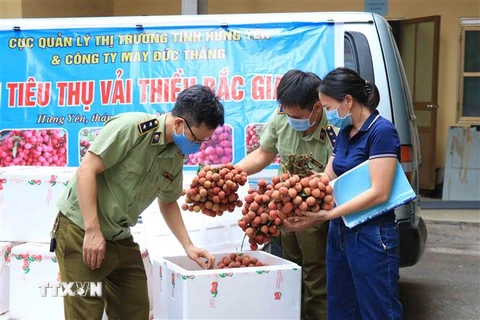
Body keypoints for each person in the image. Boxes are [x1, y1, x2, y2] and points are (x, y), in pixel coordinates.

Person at [51, 85, 224, 320]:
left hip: (119, 235)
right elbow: (86, 171)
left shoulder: (175, 156)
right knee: (84, 313)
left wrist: (188, 246)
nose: (197, 147)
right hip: (80, 231)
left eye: (204, 141)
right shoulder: (132, 128)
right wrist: (92, 231)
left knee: (135, 309)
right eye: (197, 139)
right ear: (179, 124)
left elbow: (168, 201)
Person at [291, 67, 403, 320]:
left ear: (349, 101)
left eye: (329, 107)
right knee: (341, 308)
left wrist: (327, 214)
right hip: (341, 231)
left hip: (372, 234)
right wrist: (292, 189)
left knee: (378, 310)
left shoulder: (381, 131)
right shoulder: (345, 132)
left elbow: (379, 193)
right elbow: (327, 176)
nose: (327, 114)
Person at [237, 69, 333, 320]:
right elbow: (263, 154)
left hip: (316, 213)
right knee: (289, 269)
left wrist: (316, 212)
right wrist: (231, 173)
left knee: (315, 273)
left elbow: (338, 175)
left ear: (317, 107)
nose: (292, 120)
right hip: (284, 209)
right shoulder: (281, 118)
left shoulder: (333, 127)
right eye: (288, 114)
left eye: (298, 116)